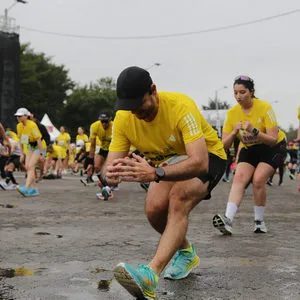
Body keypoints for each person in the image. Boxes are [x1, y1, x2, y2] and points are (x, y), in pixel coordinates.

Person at [100, 66, 227, 299]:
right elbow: (109, 168)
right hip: (166, 163)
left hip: (209, 157)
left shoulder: (180, 106)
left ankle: (150, 275)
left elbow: (199, 162)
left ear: (153, 90)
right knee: (154, 211)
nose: (137, 112)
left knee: (179, 199)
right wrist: (113, 173)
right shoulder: (124, 118)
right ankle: (186, 253)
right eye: (130, 108)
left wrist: (155, 173)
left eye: (141, 105)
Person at [213, 75, 287, 235]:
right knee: (238, 178)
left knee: (258, 179)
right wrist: (233, 132)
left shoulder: (265, 107)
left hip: (272, 147)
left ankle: (259, 222)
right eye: (235, 93)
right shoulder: (232, 113)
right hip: (250, 148)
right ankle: (227, 220)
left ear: (251, 92)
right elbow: (223, 145)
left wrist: (254, 130)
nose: (238, 96)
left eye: (242, 92)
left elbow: (273, 139)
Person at [15, 108, 44, 196]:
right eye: (17, 116)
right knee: (28, 167)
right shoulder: (19, 126)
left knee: (31, 166)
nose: (18, 118)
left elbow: (38, 139)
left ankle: (26, 188)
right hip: (29, 147)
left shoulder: (32, 125)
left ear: (26, 116)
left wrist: (42, 153)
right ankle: (34, 189)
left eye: (20, 116)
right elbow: (21, 140)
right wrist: (21, 153)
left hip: (38, 146)